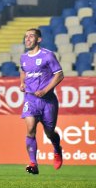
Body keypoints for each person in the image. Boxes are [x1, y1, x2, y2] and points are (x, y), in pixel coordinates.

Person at [19, 28, 64, 175]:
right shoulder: (23, 57)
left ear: (39, 39)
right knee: (30, 129)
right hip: (30, 99)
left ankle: (57, 148)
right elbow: (23, 70)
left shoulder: (48, 55)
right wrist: (22, 83)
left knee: (49, 132)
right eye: (26, 37)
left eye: (31, 36)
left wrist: (45, 90)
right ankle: (33, 163)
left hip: (47, 101)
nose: (28, 39)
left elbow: (59, 75)